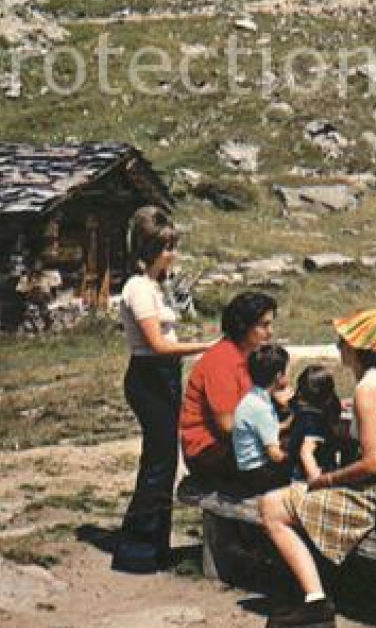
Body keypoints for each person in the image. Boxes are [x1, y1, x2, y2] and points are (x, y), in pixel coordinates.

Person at [260, 308, 376, 628]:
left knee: (271, 506)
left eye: (343, 340)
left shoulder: (368, 391)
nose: (338, 346)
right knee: (281, 501)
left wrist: (325, 480)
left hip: (372, 495)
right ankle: (315, 593)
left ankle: (315, 600)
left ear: (356, 347)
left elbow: (371, 462)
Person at [112, 226, 212, 574]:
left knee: (165, 460)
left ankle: (154, 546)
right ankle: (137, 550)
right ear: (150, 248)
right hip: (149, 376)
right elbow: (158, 345)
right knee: (158, 462)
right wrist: (207, 347)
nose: (173, 254)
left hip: (164, 375)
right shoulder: (137, 287)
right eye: (167, 248)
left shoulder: (155, 287)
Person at [179, 290, 278, 487]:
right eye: (264, 325)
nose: (270, 332)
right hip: (208, 453)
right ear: (244, 326)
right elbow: (227, 426)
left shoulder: (248, 357)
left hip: (233, 444)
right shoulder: (222, 361)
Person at [230, 344, 293, 497]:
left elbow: (264, 429)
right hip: (256, 474)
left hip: (245, 469)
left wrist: (286, 424)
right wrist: (294, 456)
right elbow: (275, 455)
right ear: (279, 376)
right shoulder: (262, 408)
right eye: (288, 370)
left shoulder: (253, 397)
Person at [286, 365, 348, 484]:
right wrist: (318, 481)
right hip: (307, 476)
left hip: (295, 470)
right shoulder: (314, 422)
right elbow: (306, 452)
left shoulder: (301, 412)